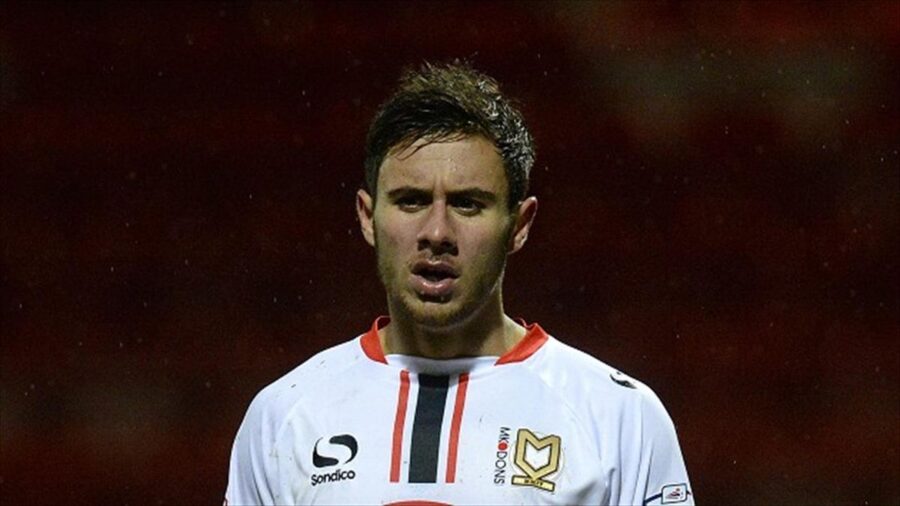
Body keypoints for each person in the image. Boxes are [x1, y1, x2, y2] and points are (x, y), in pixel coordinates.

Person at [225, 61, 694, 506]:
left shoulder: (618, 419)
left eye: (468, 204)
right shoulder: (283, 418)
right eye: (410, 201)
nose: (436, 233)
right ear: (368, 217)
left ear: (520, 224)